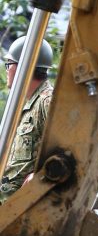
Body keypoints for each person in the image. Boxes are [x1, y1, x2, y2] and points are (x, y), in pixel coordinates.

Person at [1, 35, 54, 201]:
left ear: (23, 67)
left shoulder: (47, 101)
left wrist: (40, 177)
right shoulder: (28, 104)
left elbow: (68, 150)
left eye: (8, 64)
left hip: (22, 209)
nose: (6, 69)